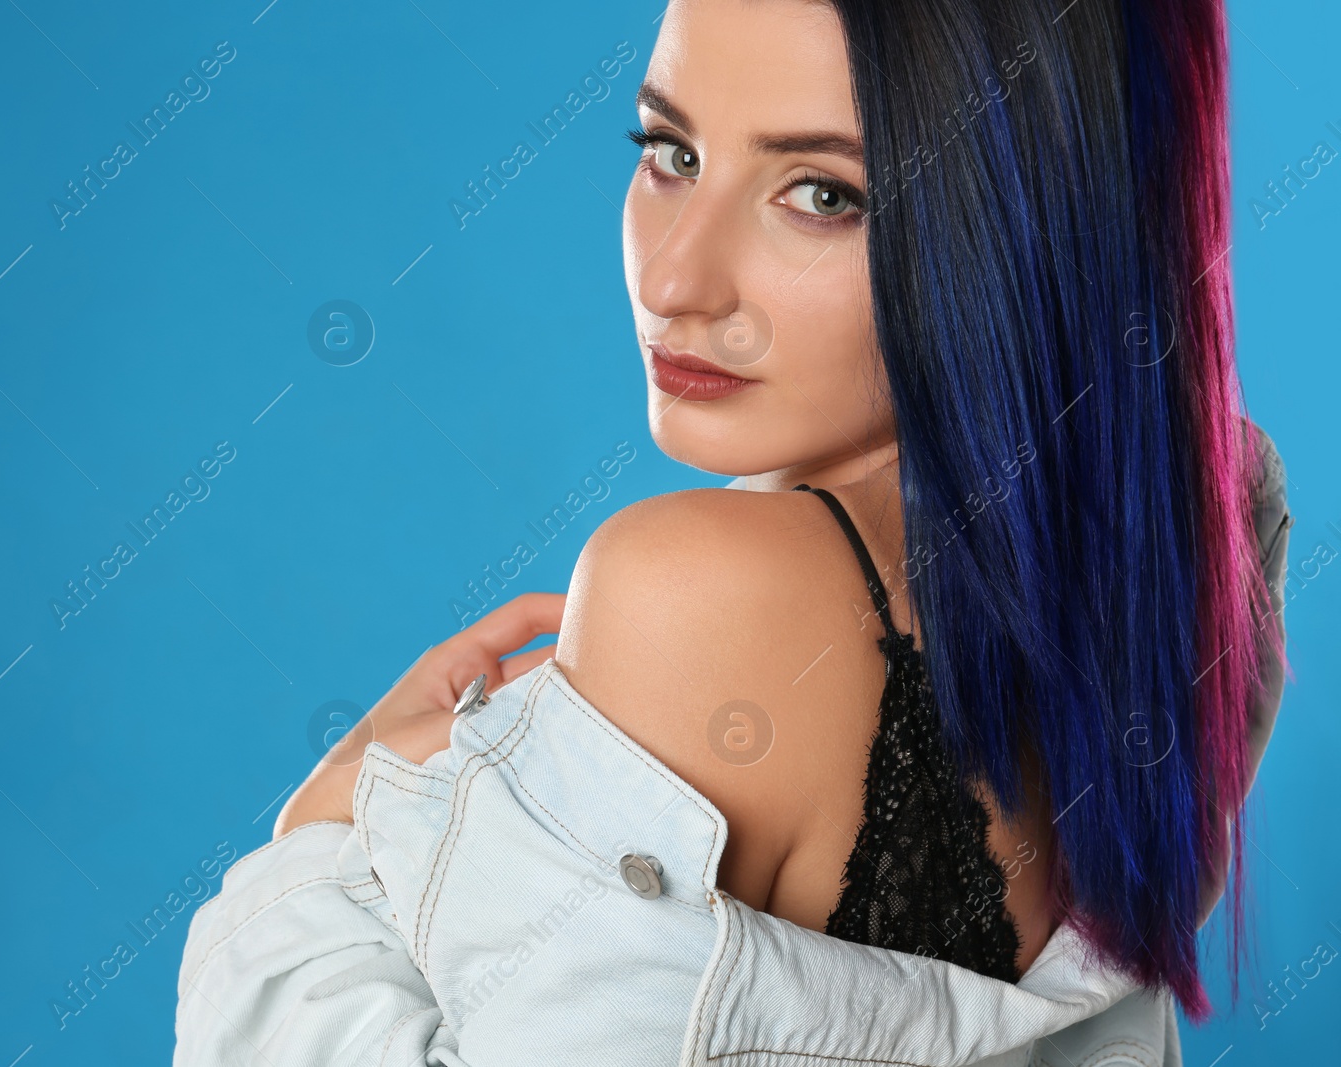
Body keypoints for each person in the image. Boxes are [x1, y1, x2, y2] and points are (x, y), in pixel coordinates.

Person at [173, 0, 1293, 1063]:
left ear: (1036, 209)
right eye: (670, 151)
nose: (673, 278)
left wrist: (324, 830)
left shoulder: (700, 590)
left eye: (822, 194)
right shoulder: (1204, 518)